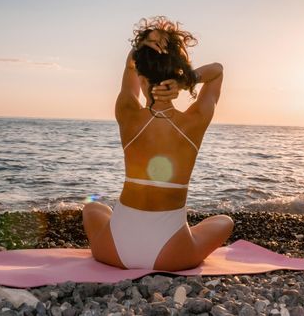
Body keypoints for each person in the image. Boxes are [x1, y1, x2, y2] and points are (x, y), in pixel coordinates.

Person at [82, 16, 234, 270]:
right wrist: (186, 79)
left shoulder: (127, 113)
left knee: (93, 208)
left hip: (113, 251)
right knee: (225, 221)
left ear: (140, 74)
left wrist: (140, 48)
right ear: (177, 73)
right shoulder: (194, 122)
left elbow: (129, 66)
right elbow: (217, 70)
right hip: (172, 255)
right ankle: (183, 232)